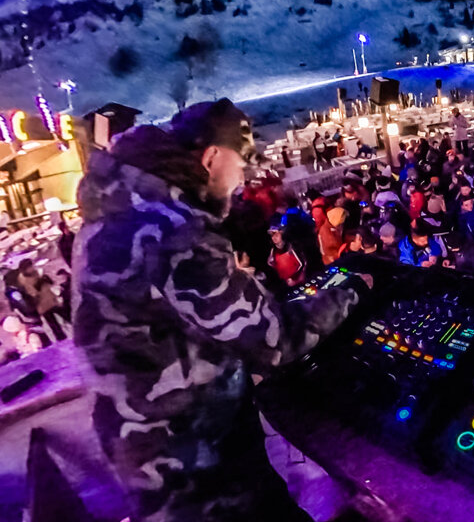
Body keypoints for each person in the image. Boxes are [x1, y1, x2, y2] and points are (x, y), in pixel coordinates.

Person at [73, 99, 372, 522]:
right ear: (212, 157)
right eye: (243, 161)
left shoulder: (122, 209)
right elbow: (273, 340)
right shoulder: (174, 231)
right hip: (194, 458)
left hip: (154, 443)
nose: (244, 177)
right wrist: (354, 289)